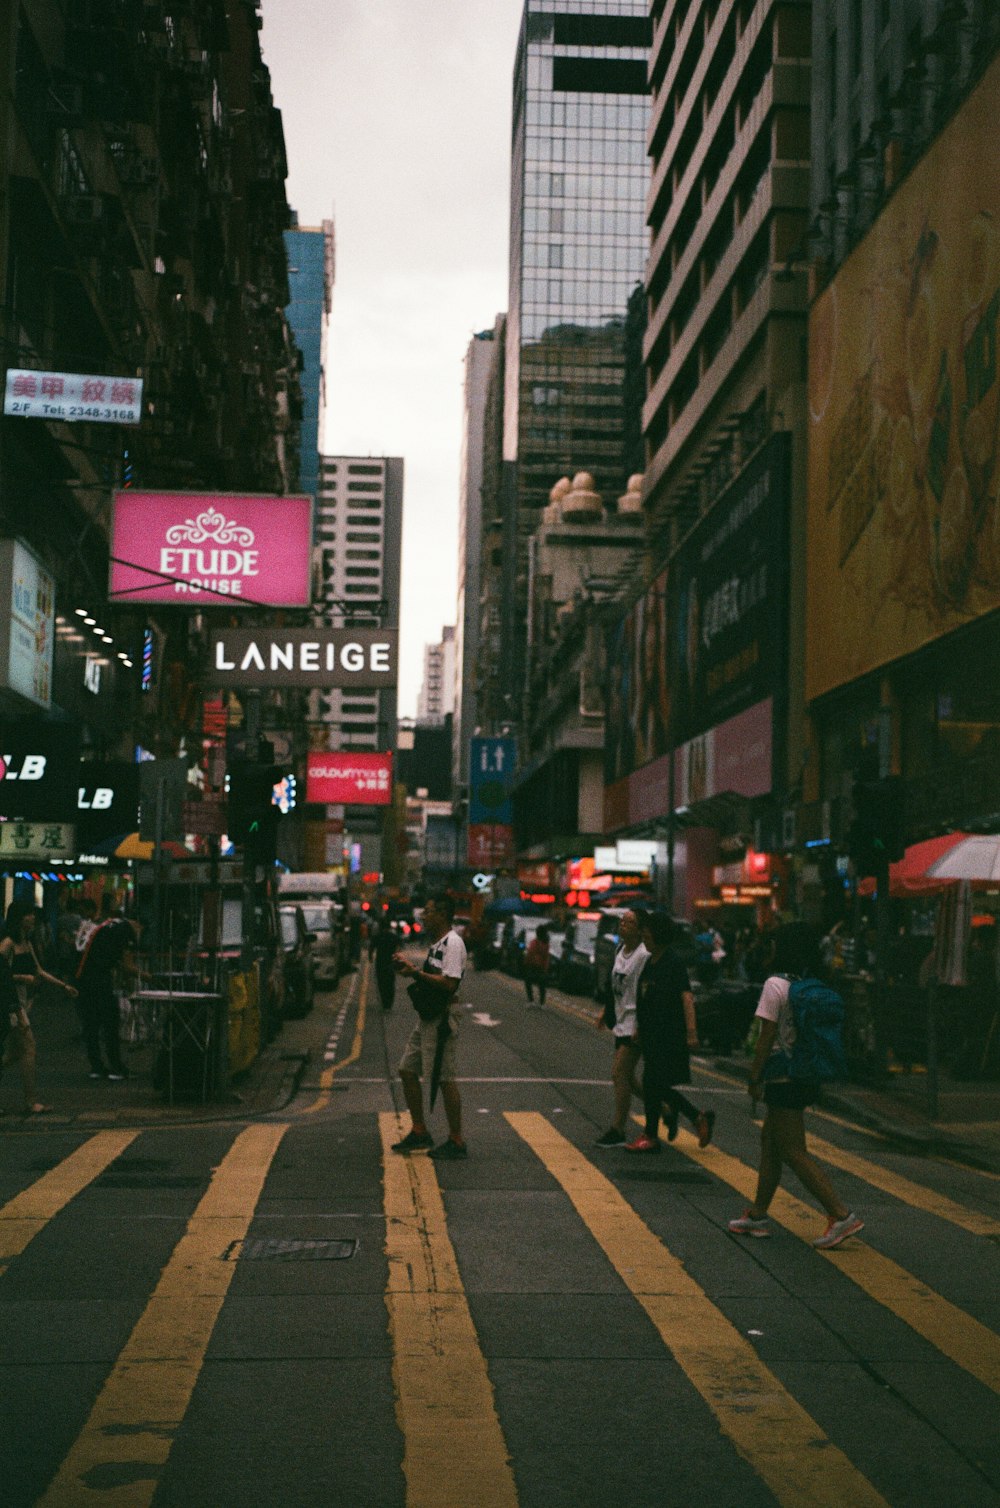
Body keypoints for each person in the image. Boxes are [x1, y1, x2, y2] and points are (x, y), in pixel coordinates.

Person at [728, 922, 864, 1249]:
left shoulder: (775, 985)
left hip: (782, 1076)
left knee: (791, 1149)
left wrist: (754, 1075)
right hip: (804, 1074)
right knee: (771, 1141)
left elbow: (766, 1038)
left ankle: (840, 1214)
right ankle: (758, 1214)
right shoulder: (811, 983)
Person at [627, 911, 715, 1153]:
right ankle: (693, 1118)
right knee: (654, 1084)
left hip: (669, 1034)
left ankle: (655, 1133)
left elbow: (686, 997)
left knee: (654, 1084)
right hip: (652, 1035)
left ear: (659, 933)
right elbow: (643, 998)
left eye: (648, 930)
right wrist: (638, 1028)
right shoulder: (651, 962)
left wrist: (691, 1032)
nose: (643, 933)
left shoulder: (672, 963)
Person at [391, 895, 469, 1160]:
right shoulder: (438, 944)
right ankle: (420, 1130)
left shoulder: (453, 944)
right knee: (407, 1069)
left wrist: (415, 974)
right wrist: (409, 969)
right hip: (428, 1017)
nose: (424, 915)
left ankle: (456, 1140)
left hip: (443, 1018)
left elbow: (449, 983)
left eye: (429, 910)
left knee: (444, 1077)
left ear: (442, 915)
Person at [0, 898, 78, 1115]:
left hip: (23, 1001)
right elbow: (2, 976)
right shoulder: (7, 944)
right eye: (28, 914)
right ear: (17, 918)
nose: (32, 918)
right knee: (28, 1048)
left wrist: (63, 986)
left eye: (32, 914)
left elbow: (39, 970)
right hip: (10, 1003)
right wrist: (22, 978)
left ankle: (31, 1100)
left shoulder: (26, 942)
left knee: (15, 1053)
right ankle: (31, 1101)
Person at [594, 909, 647, 1147]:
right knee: (630, 1079)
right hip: (622, 1020)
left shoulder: (643, 955)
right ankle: (664, 1108)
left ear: (640, 929)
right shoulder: (619, 950)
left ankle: (618, 1129)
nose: (623, 924)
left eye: (630, 922)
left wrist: (643, 1025)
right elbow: (616, 987)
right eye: (622, 921)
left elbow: (646, 992)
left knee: (618, 1074)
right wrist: (607, 1012)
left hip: (636, 1024)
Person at [76, 909, 139, 1082]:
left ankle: (96, 1066)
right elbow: (127, 966)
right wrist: (148, 976)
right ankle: (116, 1067)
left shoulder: (109, 926)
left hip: (82, 979)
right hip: (99, 980)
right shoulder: (126, 931)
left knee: (91, 1024)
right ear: (137, 924)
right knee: (111, 1022)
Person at [369, 913, 398, 1011]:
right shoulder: (393, 937)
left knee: (381, 983)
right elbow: (398, 949)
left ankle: (385, 1003)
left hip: (380, 963)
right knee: (390, 984)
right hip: (390, 963)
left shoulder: (378, 936)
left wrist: (370, 958)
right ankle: (389, 1004)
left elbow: (371, 948)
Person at [523, 925, 550, 1007]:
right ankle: (542, 1003)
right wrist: (545, 967)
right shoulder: (546, 943)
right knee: (542, 985)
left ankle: (531, 1000)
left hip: (533, 966)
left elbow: (530, 953)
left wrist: (526, 963)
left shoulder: (534, 942)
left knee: (528, 982)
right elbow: (546, 957)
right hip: (541, 967)